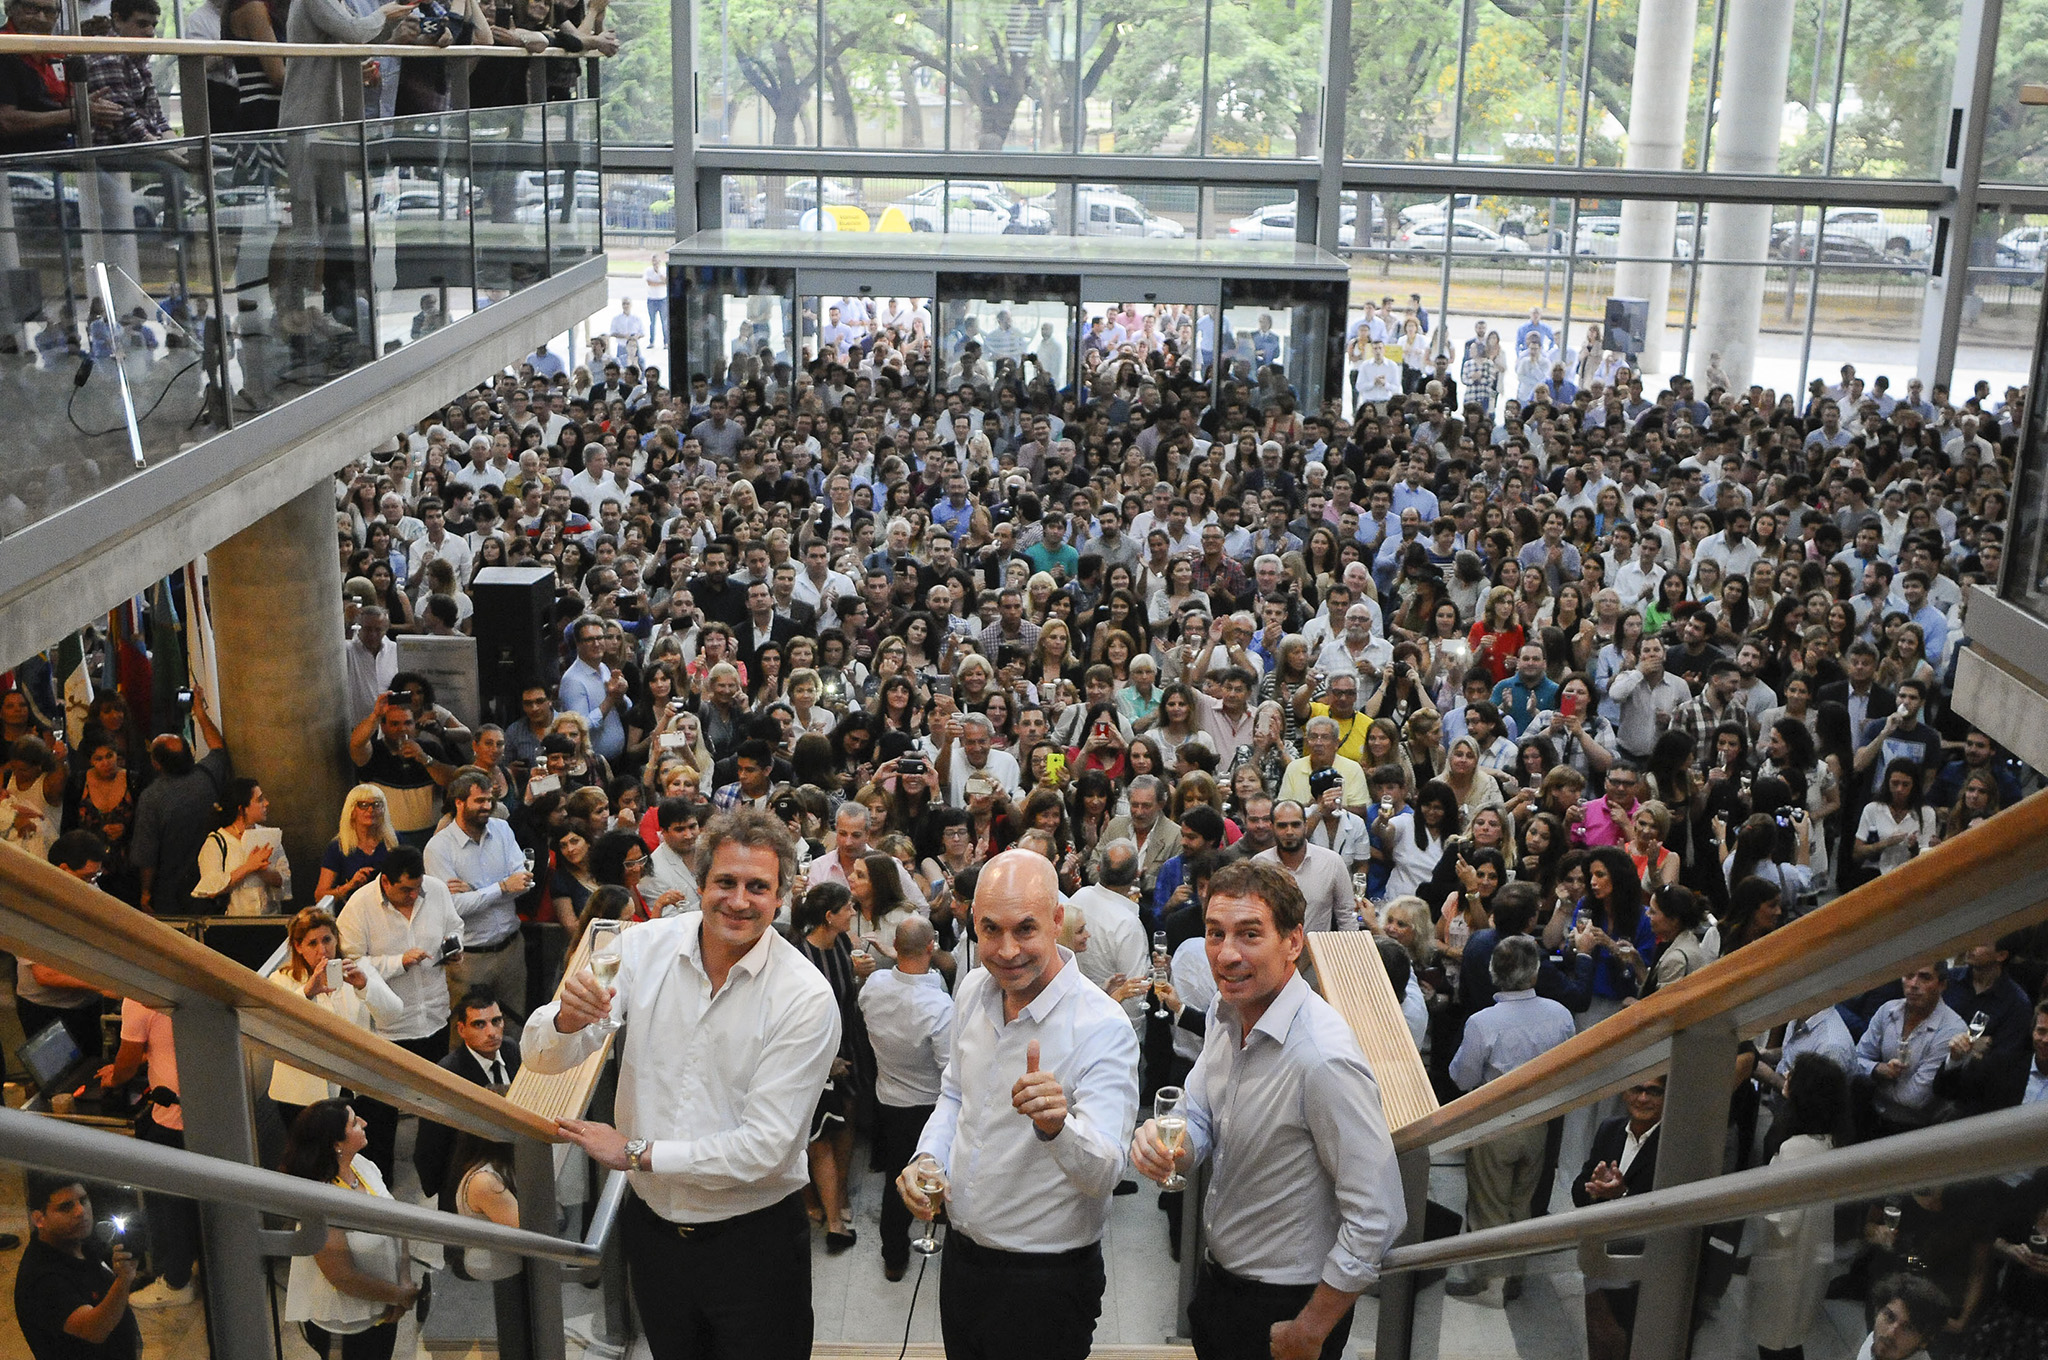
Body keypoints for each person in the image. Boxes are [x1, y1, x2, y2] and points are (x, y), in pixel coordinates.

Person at [533, 809, 840, 1360]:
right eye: (725, 882)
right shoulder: (633, 949)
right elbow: (542, 1055)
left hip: (755, 1244)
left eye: (757, 887)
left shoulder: (806, 998)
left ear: (782, 896)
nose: (739, 900)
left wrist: (635, 1152)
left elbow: (765, 1148)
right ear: (698, 884)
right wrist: (564, 1020)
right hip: (653, 1238)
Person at [1129, 859, 1404, 1360]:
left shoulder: (1322, 1059)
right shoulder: (1225, 1009)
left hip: (1287, 1305)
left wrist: (1310, 1328)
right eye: (1215, 933)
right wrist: (1172, 1147)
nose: (1226, 954)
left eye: (1249, 934)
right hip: (1221, 1284)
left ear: (1293, 942)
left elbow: (1378, 1216)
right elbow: (1200, 1111)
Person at [896, 849, 1140, 1360]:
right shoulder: (971, 992)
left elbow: (1106, 1173)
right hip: (963, 1261)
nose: (1006, 951)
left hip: (1046, 1281)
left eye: (1025, 929)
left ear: (1057, 921)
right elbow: (954, 1094)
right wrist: (927, 1159)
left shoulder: (1102, 1027)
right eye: (990, 930)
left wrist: (1058, 1127)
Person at [1445, 935, 1578, 1300]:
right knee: (1522, 1199)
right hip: (1539, 1119)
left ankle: (1489, 1282)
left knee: (1488, 1201)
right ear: (1534, 974)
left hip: (1495, 1120)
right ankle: (1515, 1275)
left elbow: (1464, 1078)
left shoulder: (1483, 1022)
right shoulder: (1560, 1015)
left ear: (1493, 974)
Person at [336, 846, 465, 1180]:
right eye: (405, 890)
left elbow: (455, 926)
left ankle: (437, 1177)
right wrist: (398, 962)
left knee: (437, 1107)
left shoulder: (434, 890)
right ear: (385, 882)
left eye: (417, 888)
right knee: (379, 1114)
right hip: (388, 1027)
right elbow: (351, 962)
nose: (413, 895)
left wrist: (454, 947)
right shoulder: (359, 907)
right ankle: (382, 1184)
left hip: (434, 1016)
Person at [278, 1101, 420, 1360]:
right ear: (336, 1144)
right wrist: (398, 1295)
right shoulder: (321, 1200)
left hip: (384, 1306)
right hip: (345, 1325)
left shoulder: (362, 1165)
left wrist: (404, 1279)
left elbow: (397, 1222)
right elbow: (342, 1276)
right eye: (354, 1122)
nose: (364, 1123)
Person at [858, 915, 955, 1280]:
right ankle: (934, 1217)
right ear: (931, 947)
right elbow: (949, 1069)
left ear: (894, 948)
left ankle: (893, 1254)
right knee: (928, 1169)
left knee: (894, 1181)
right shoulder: (938, 1007)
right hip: (927, 1103)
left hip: (887, 1095)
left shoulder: (874, 985)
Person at [94, 997, 198, 1309]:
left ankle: (176, 1282)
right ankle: (192, 1264)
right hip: (204, 1109)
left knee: (166, 1204)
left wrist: (115, 1076)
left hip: (174, 1119)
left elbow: (125, 1068)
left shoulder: (138, 999)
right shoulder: (180, 980)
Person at [268, 907, 403, 1130]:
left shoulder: (359, 969)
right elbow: (277, 1026)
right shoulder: (282, 980)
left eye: (327, 939)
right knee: (315, 1161)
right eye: (312, 943)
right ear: (298, 947)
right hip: (303, 1096)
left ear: (336, 939)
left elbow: (393, 1013)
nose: (323, 950)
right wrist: (307, 992)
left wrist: (364, 986)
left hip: (360, 1086)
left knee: (374, 1156)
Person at [424, 770, 535, 1027]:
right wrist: (502, 887)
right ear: (459, 803)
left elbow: (525, 883)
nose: (486, 807)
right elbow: (453, 908)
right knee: (467, 1031)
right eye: (479, 801)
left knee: (514, 1026)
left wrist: (476, 889)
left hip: (511, 951)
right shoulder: (438, 848)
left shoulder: (503, 829)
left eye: (489, 801)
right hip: (469, 961)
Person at [1573, 1076, 1666, 1360]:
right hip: (1600, 1257)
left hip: (1644, 1267)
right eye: (1637, 1089)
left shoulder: (1672, 1144)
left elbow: (1664, 1209)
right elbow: (1579, 1190)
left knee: (1628, 1342)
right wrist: (1595, 1189)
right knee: (1600, 1339)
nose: (1643, 1098)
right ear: (1625, 1093)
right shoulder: (1609, 1129)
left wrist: (1622, 1196)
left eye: (1653, 1091)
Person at [13, 1173, 139, 1360]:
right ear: (39, 1219)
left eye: (83, 1200)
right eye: (66, 1207)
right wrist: (123, 1280)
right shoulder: (43, 1279)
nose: (80, 1212)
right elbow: (94, 1329)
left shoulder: (80, 1241)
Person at [413, 986, 521, 1202]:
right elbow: (430, 1145)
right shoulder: (448, 1074)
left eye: (496, 1021)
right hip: (468, 1179)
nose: (491, 1032)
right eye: (479, 1024)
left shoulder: (511, 1050)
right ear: (461, 1030)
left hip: (514, 1168)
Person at [130, 697, 230, 915]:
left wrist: (146, 892)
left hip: (171, 893)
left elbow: (147, 854)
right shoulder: (207, 776)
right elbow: (218, 747)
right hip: (214, 885)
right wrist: (200, 715)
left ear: (156, 764)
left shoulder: (151, 799)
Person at [193, 777, 290, 915]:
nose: (266, 803)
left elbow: (284, 879)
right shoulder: (217, 842)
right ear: (241, 809)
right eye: (259, 800)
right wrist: (248, 867)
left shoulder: (268, 836)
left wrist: (262, 870)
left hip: (270, 920)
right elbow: (210, 889)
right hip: (234, 924)